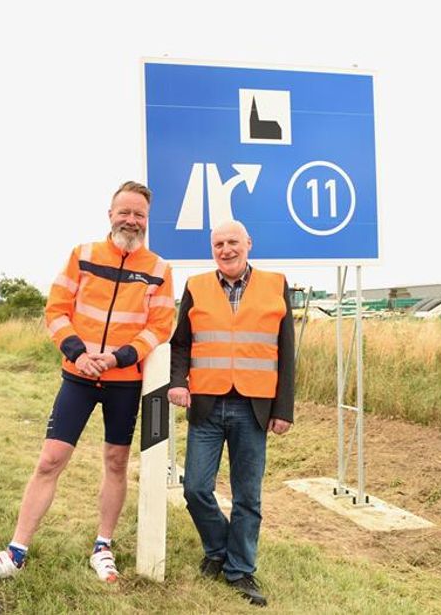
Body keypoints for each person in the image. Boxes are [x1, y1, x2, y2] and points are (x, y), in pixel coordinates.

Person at [0, 181, 175, 583]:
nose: (131, 220)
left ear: (147, 221)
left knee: (116, 463)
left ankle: (102, 547)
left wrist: (117, 357)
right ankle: (16, 552)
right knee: (50, 460)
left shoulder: (159, 270)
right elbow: (56, 310)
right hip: (78, 377)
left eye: (139, 215)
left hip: (125, 383)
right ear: (110, 214)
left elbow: (159, 327)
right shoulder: (82, 256)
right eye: (124, 212)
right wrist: (80, 354)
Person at [167, 220, 294, 607]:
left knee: (247, 496)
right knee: (195, 489)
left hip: (254, 408)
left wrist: (283, 408)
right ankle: (219, 546)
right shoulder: (196, 286)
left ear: (248, 243)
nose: (226, 249)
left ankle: (239, 569)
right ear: (212, 249)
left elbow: (286, 352)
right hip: (206, 404)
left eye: (232, 242)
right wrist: (178, 382)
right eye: (218, 243)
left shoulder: (276, 284)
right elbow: (181, 344)